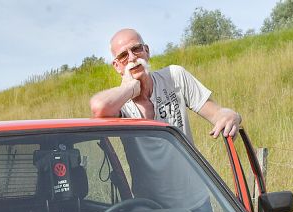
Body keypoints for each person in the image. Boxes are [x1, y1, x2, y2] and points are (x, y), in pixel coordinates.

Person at [90, 28, 242, 140]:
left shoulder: (174, 76)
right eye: (123, 56)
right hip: (146, 184)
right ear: (117, 66)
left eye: (136, 49)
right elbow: (99, 107)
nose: (132, 58)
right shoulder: (120, 102)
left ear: (147, 51)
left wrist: (231, 115)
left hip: (188, 180)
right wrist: (130, 88)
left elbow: (216, 113)